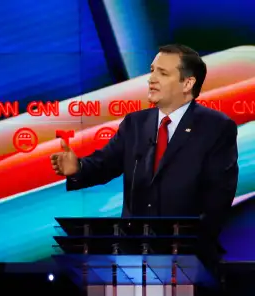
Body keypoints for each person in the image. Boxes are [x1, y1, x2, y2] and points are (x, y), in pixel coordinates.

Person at [51, 44, 239, 261]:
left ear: (188, 83)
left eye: (163, 73)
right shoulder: (135, 124)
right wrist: (78, 168)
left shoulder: (215, 127)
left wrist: (184, 246)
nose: (151, 79)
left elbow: (218, 200)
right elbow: (104, 164)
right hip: (132, 257)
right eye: (152, 70)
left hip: (186, 258)